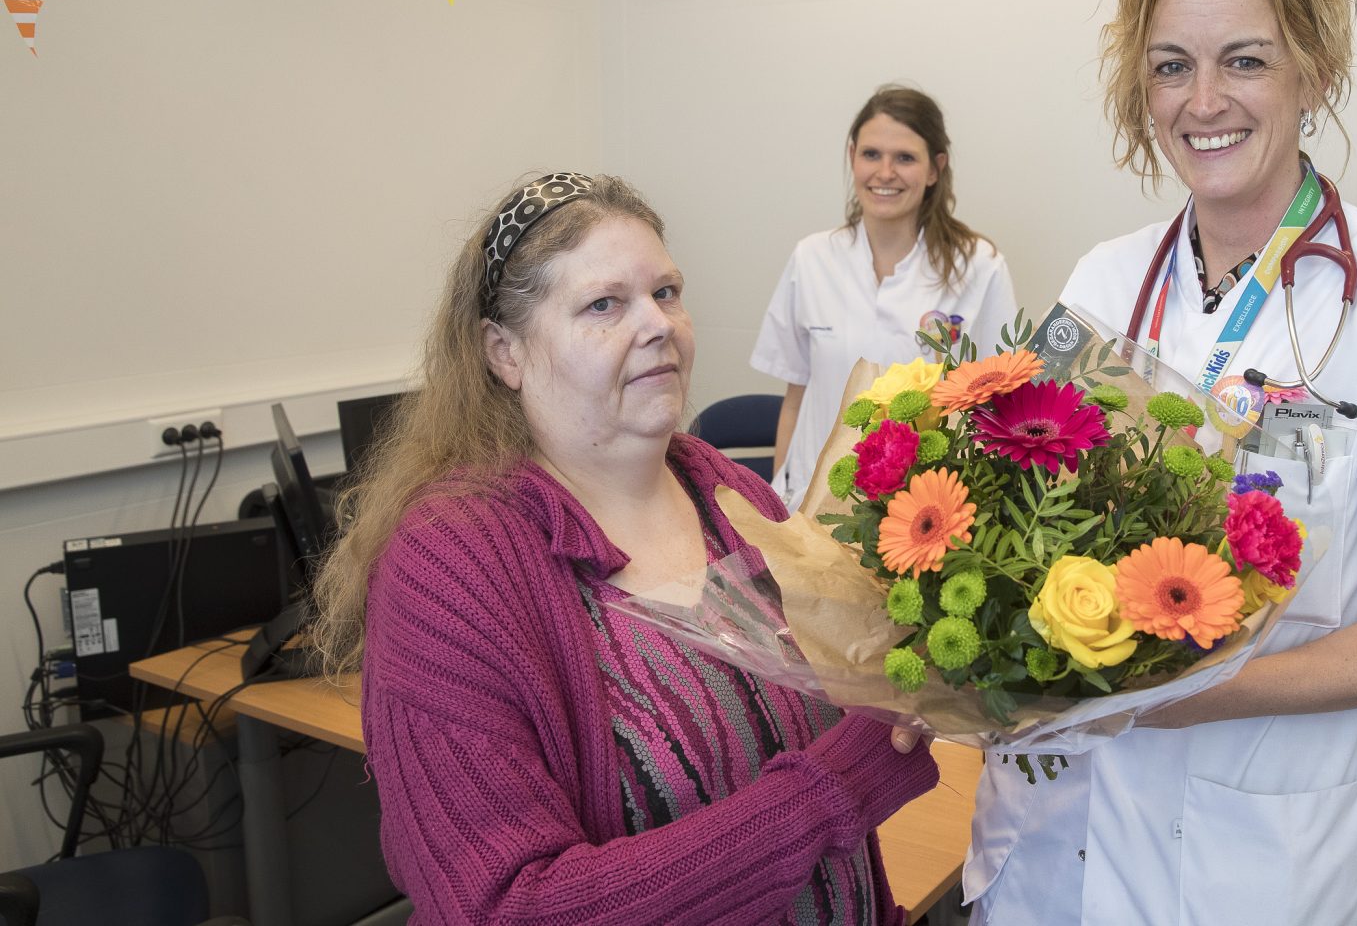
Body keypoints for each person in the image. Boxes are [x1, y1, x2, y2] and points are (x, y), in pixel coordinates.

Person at [961, 0, 1357, 924]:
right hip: (1052, 850)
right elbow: (1020, 513)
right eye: (1171, 66)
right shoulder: (1104, 281)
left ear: (1312, 73)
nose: (1204, 101)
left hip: (1250, 861)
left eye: (1245, 60)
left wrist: (1194, 697)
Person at [308, 173, 939, 925]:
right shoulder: (451, 567)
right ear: (503, 352)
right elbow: (511, 909)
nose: (657, 325)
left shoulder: (732, 496)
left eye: (666, 293)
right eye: (604, 304)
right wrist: (832, 791)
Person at [754, 86, 1017, 509]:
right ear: (852, 156)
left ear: (935, 169)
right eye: (872, 154)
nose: (885, 172)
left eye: (905, 158)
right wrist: (779, 501)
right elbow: (796, 396)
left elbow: (997, 407)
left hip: (922, 510)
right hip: (810, 499)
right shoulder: (812, 259)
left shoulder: (980, 267)